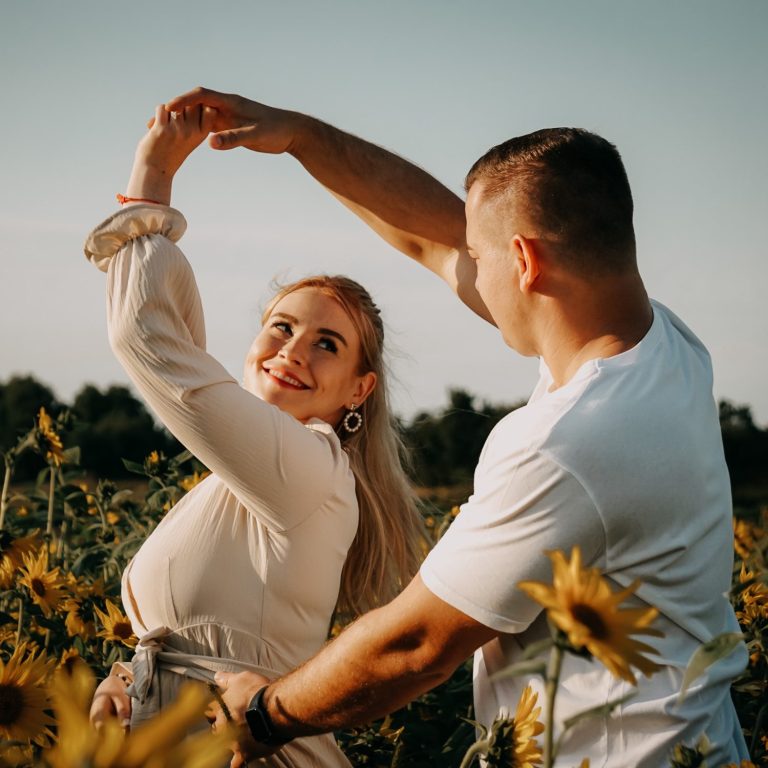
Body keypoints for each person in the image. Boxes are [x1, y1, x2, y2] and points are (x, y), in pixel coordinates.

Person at [163, 89, 750, 767]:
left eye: (481, 254)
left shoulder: (568, 442)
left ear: (526, 263)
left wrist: (265, 714)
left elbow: (415, 645)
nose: (463, 264)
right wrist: (301, 137)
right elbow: (432, 236)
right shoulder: (667, 344)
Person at [84, 104, 424, 768]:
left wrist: (151, 179)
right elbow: (198, 642)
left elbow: (149, 339)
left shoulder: (311, 469)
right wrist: (125, 682)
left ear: (359, 390)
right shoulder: (244, 478)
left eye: (327, 343)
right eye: (281, 327)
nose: (294, 350)